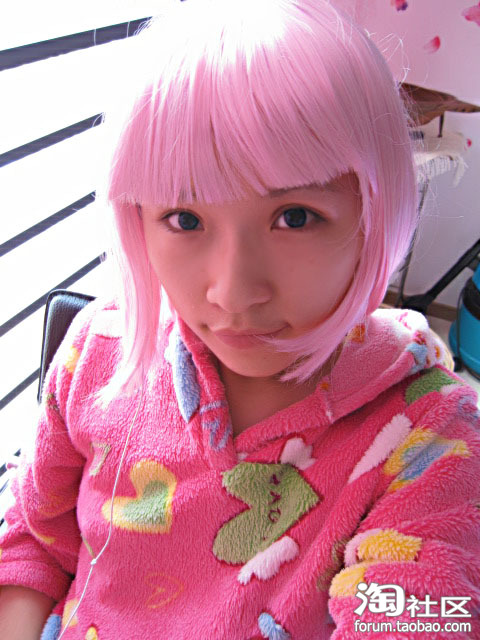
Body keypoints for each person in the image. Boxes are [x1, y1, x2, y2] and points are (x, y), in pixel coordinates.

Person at [1, 0, 479, 638]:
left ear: (374, 214)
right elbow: (32, 542)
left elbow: (425, 609)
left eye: (295, 217)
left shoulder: (432, 438)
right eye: (185, 219)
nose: (232, 293)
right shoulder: (96, 353)